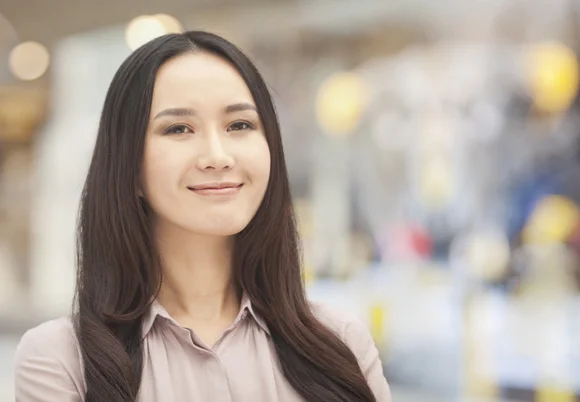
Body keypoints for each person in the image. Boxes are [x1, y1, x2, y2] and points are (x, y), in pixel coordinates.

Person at [13, 31, 391, 402]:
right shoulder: (61, 361)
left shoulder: (340, 344)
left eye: (239, 125)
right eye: (179, 128)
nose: (217, 155)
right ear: (128, 167)